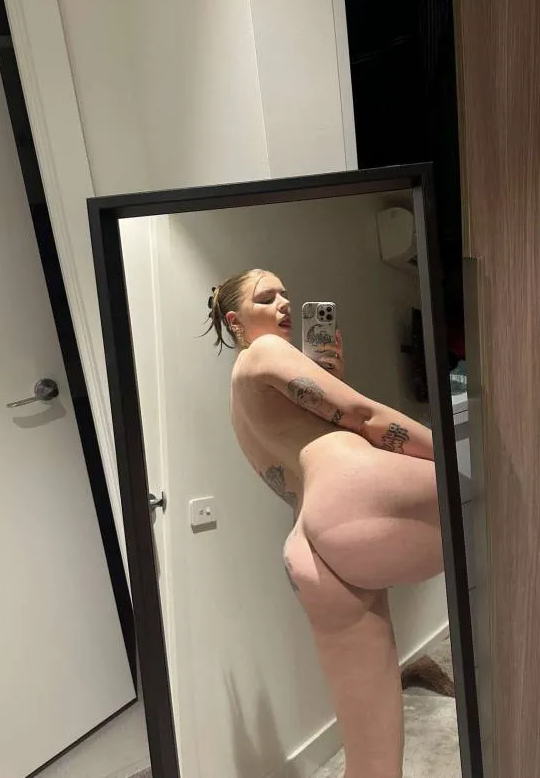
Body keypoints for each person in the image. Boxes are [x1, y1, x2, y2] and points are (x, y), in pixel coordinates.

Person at [206, 268, 443, 778]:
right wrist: (452, 459)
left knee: (371, 754)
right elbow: (364, 416)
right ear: (235, 321)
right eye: (266, 298)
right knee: (522, 501)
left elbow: (293, 462)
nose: (284, 304)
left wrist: (330, 375)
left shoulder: (240, 398)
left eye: (285, 294)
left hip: (309, 546)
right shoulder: (265, 351)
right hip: (352, 492)